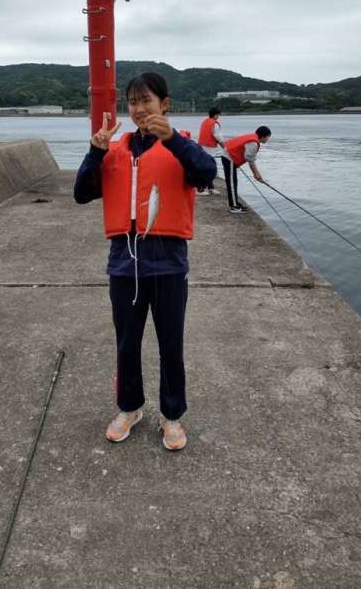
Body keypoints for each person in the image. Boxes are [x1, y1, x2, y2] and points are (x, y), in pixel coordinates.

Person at [74, 72, 216, 451]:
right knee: (126, 345)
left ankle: (172, 415)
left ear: (164, 104)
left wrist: (173, 141)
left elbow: (207, 173)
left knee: (171, 345)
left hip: (169, 265)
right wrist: (95, 152)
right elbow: (81, 193)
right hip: (125, 265)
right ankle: (129, 408)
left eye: (146, 100)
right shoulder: (114, 150)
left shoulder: (181, 146)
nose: (138, 109)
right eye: (133, 102)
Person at [221, 126, 272, 213]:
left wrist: (256, 174)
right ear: (264, 136)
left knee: (233, 182)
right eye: (268, 137)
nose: (268, 139)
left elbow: (249, 158)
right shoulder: (254, 143)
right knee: (232, 183)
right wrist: (257, 174)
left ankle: (235, 203)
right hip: (229, 158)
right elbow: (250, 160)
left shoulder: (253, 138)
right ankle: (234, 207)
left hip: (228, 156)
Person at [197, 107, 225, 194]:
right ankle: (202, 189)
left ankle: (209, 188)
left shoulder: (205, 121)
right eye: (218, 115)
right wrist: (225, 147)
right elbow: (218, 137)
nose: (218, 117)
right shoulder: (214, 124)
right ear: (215, 115)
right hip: (209, 148)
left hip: (201, 146)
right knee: (208, 168)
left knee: (205, 167)